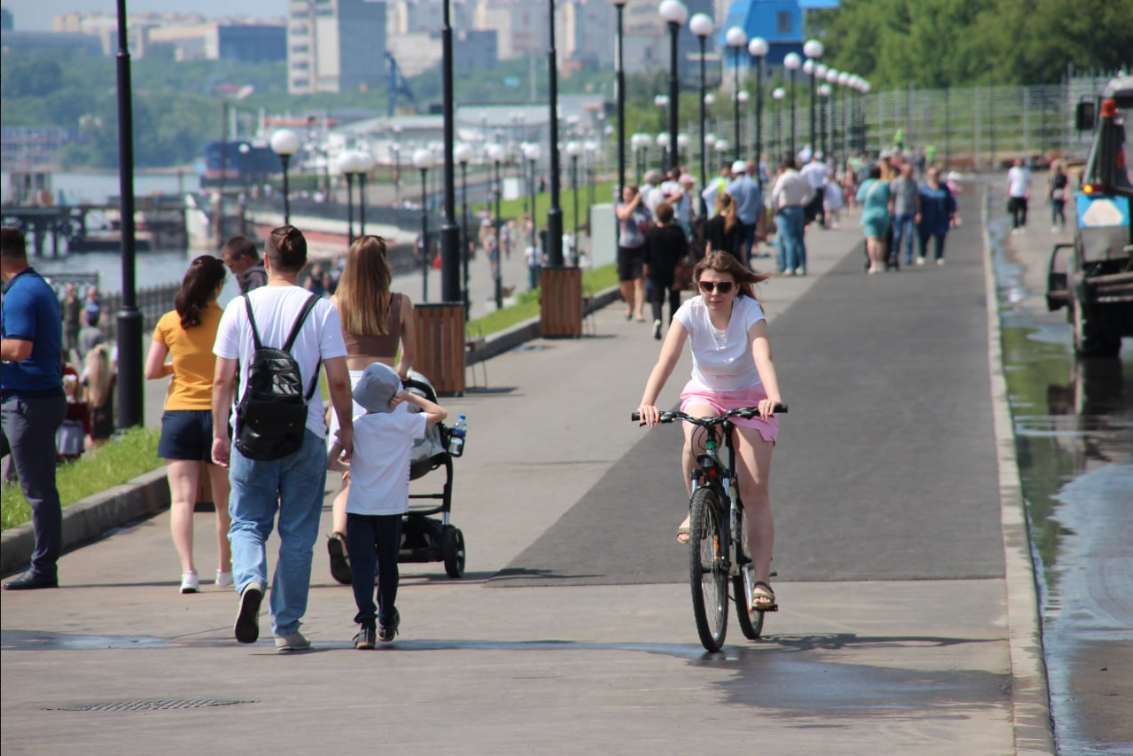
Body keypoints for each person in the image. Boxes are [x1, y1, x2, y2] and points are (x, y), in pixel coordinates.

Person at [211, 225, 355, 652]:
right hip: (305, 434)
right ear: (304, 264)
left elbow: (221, 380)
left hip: (250, 434)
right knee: (297, 533)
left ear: (266, 260)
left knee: (247, 521)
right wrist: (345, 429)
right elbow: (339, 382)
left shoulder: (240, 307)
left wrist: (221, 433)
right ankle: (287, 628)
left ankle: (251, 581)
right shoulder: (321, 308)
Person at [636, 252, 784, 612]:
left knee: (754, 490)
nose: (714, 293)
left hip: (751, 396)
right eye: (706, 285)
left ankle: (761, 582)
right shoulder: (689, 311)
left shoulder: (749, 310)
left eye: (723, 286)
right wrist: (647, 402)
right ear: (696, 285)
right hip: (706, 393)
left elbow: (763, 356)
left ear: (736, 287)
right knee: (696, 436)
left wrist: (773, 397)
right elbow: (666, 360)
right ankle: (697, 506)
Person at [326, 363, 446, 648]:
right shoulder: (403, 425)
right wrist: (408, 397)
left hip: (359, 508)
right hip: (390, 510)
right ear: (391, 396)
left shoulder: (353, 428)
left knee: (363, 566)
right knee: (389, 565)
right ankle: (387, 619)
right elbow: (440, 414)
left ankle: (365, 626)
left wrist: (349, 465)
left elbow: (330, 462)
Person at [325, 235, 417, 585]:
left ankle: (339, 533)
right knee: (379, 479)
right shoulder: (400, 302)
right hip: (384, 391)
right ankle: (376, 552)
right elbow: (408, 357)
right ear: (384, 266)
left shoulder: (336, 303)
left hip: (347, 392)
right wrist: (398, 379)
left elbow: (328, 360)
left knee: (351, 475)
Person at [145, 255, 233, 594]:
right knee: (224, 502)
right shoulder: (226, 320)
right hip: (218, 415)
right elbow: (234, 369)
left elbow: (151, 371)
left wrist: (177, 368)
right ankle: (224, 570)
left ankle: (188, 573)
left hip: (179, 415)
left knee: (182, 500)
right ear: (218, 287)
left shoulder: (169, 321)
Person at [2, 227, 67, 590]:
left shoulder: (21, 293)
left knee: (38, 488)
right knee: (40, 485)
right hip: (20, 401)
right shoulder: (32, 286)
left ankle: (44, 568)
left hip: (29, 403)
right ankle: (44, 565)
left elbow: (20, 348)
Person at [643, 201, 688, 341]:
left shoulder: (651, 232)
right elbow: (685, 251)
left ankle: (657, 319)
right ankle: (672, 325)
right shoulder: (677, 231)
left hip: (656, 270)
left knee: (656, 296)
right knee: (674, 297)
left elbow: (646, 254)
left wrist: (646, 270)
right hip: (675, 270)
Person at [770, 158, 814, 276]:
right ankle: (803, 266)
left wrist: (776, 207)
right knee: (800, 239)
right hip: (798, 208)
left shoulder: (784, 177)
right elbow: (812, 192)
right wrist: (803, 202)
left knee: (788, 239)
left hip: (786, 208)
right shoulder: (800, 176)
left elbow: (775, 195)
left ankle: (790, 267)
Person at [615, 184, 651, 322]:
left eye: (628, 194)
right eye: (624, 194)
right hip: (625, 249)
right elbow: (624, 216)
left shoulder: (644, 211)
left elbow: (650, 226)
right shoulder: (620, 207)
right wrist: (634, 201)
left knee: (639, 281)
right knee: (625, 283)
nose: (625, 197)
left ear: (635, 195)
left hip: (640, 249)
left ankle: (639, 312)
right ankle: (630, 305)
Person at [916, 168, 958, 266]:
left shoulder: (944, 188)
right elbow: (918, 203)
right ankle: (922, 255)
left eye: (936, 175)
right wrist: (918, 213)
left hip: (941, 215)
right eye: (932, 175)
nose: (934, 177)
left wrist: (952, 213)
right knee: (924, 236)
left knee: (940, 236)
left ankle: (939, 256)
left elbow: (950, 201)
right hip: (927, 216)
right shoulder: (923, 189)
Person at [856, 165, 894, 274]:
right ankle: (881, 262)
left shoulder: (865, 185)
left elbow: (859, 198)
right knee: (881, 239)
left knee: (871, 239)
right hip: (882, 213)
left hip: (869, 213)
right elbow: (890, 198)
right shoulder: (884, 184)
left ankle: (873, 263)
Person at [725, 161, 762, 267]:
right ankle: (746, 264)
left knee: (736, 244)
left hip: (735, 219)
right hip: (750, 219)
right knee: (748, 244)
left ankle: (739, 265)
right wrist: (757, 217)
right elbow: (759, 204)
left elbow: (726, 203)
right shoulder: (753, 184)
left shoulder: (731, 186)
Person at [83, 343, 115, 448]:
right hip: (108, 417)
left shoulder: (88, 379)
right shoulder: (111, 378)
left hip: (94, 417)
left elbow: (85, 400)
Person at [889, 164, 921, 266]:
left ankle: (908, 256)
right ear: (903, 172)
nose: (910, 173)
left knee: (910, 235)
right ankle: (894, 254)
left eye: (911, 171)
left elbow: (916, 198)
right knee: (897, 235)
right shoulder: (896, 182)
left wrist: (918, 212)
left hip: (910, 211)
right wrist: (890, 209)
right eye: (908, 171)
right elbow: (891, 197)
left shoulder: (913, 182)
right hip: (899, 211)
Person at [705, 193, 743, 258]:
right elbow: (742, 245)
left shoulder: (713, 222)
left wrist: (706, 260)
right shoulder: (736, 221)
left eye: (715, 203)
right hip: (733, 259)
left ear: (720, 204)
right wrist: (745, 262)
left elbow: (709, 244)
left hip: (717, 260)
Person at [800, 153, 830, 228]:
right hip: (819, 187)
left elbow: (801, 176)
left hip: (810, 189)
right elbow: (829, 174)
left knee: (809, 205)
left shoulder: (807, 167)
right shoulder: (821, 166)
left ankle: (809, 220)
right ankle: (821, 222)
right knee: (820, 206)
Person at [1007, 158, 1031, 234]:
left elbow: (1029, 182)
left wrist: (1029, 192)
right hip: (1014, 193)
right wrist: (1008, 193)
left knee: (1024, 210)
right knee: (1015, 211)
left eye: (1020, 162)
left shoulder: (1026, 171)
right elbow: (1009, 182)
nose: (1019, 163)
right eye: (1018, 162)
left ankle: (1022, 225)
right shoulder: (1012, 171)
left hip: (1023, 193)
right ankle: (1015, 227)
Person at [61, 283, 82, 362]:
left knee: (75, 344)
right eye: (69, 290)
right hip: (67, 324)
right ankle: (67, 359)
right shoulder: (64, 300)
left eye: (72, 290)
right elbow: (61, 312)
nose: (71, 291)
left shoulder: (77, 301)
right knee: (66, 344)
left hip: (75, 324)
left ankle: (78, 359)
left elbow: (80, 311)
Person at [1049, 160, 1069, 233]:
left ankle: (1063, 225)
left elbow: (1066, 186)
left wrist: (1066, 195)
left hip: (1061, 193)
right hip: (1053, 194)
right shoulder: (1052, 176)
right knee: (1054, 210)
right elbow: (1049, 186)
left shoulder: (1063, 176)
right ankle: (1054, 225)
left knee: (1061, 211)